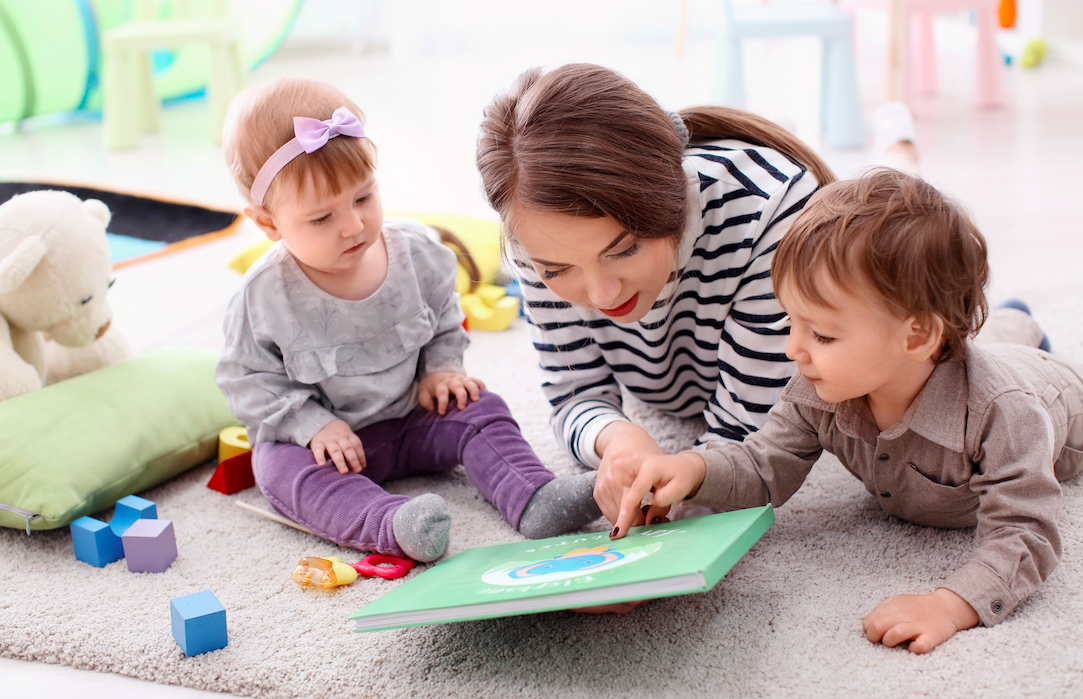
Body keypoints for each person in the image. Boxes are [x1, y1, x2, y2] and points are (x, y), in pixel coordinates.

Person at [605, 168, 1083, 653]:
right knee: (992, 338)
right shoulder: (820, 388)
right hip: (953, 355)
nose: (793, 349)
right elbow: (764, 463)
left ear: (916, 335)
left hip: (1058, 394)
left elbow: (1025, 531)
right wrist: (692, 467)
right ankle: (1013, 318)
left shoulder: (1004, 415)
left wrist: (950, 604)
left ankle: (1020, 323)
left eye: (823, 334)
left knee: (1005, 357)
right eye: (791, 322)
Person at [215, 75, 601, 563]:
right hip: (327, 445)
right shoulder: (262, 296)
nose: (353, 226)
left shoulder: (417, 251)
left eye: (363, 197)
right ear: (268, 223)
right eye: (321, 218)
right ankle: (394, 525)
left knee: (482, 407)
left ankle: (533, 496)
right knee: (277, 470)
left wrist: (441, 370)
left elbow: (443, 315)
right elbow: (246, 380)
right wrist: (311, 425)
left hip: (415, 414)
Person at [475, 63, 836, 526]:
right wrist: (617, 439)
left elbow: (752, 441)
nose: (602, 294)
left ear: (673, 199)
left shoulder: (772, 214)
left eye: (624, 250)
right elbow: (573, 392)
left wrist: (664, 528)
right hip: (678, 389)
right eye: (559, 270)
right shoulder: (534, 230)